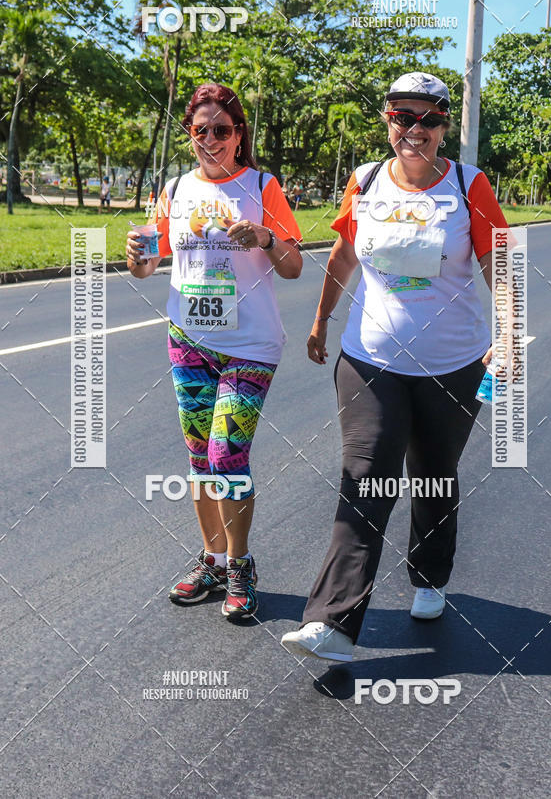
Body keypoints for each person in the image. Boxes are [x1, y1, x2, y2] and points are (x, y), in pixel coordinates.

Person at [281, 72, 509, 662]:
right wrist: (321, 320)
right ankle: (332, 622)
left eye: (428, 119)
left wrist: (509, 331)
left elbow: (500, 264)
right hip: (370, 361)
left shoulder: (469, 185)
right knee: (365, 476)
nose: (415, 129)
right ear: (387, 121)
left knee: (433, 473)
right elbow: (342, 255)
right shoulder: (365, 180)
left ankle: (430, 576)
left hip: (453, 366)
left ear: (444, 127)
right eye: (403, 117)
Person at [126, 82, 302, 619]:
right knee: (200, 457)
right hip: (189, 341)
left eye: (221, 129)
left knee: (227, 454)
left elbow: (294, 266)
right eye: (200, 130)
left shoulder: (262, 186)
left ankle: (240, 564)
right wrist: (136, 254)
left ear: (238, 134)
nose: (210, 139)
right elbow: (146, 267)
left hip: (250, 345)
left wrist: (266, 239)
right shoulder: (175, 190)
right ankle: (212, 560)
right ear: (189, 134)